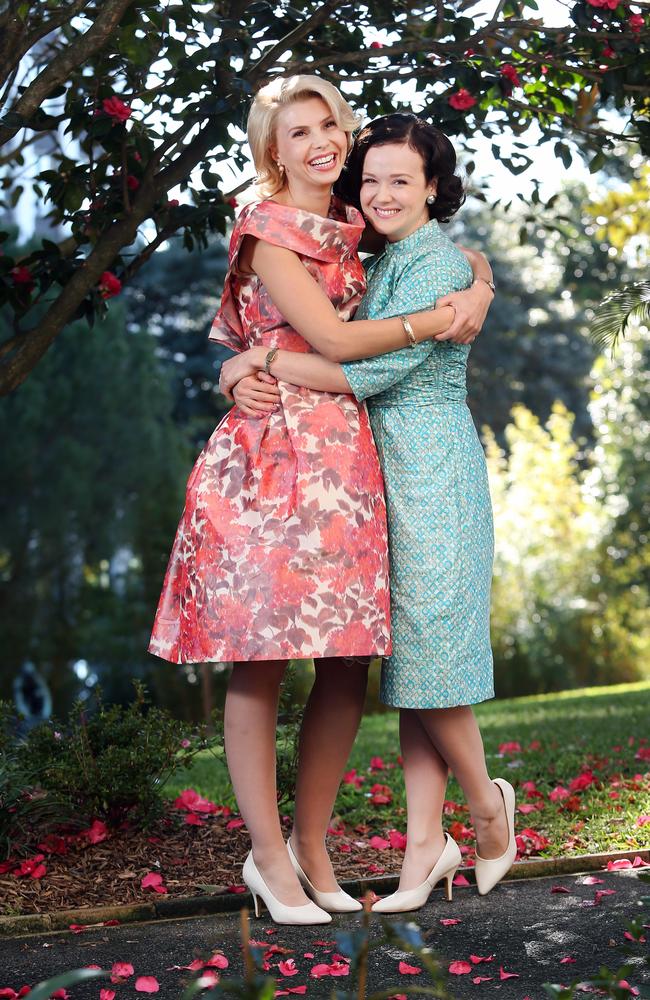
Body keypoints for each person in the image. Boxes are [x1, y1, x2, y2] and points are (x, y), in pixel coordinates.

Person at [150, 76, 494, 925]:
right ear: (272, 147)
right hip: (274, 454)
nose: (320, 140)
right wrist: (440, 317)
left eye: (329, 123)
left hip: (348, 456)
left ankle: (312, 848)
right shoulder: (268, 230)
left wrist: (476, 280)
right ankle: (268, 860)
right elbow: (335, 341)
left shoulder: (350, 223)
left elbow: (424, 242)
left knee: (345, 660)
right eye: (297, 129)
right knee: (261, 655)